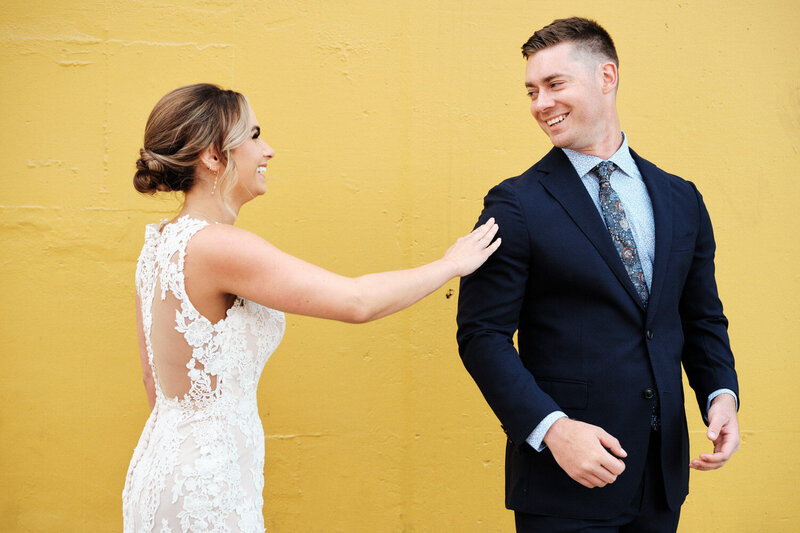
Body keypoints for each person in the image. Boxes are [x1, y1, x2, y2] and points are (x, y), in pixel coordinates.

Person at [122, 83, 500, 532]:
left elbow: (154, 379)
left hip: (164, 465)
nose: (269, 150)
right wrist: (450, 264)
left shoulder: (160, 243)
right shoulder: (219, 246)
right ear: (213, 156)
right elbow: (356, 301)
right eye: (254, 135)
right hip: (208, 482)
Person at [456, 17, 739, 532]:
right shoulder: (515, 204)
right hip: (565, 483)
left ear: (606, 77)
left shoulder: (682, 197)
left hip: (661, 479)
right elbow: (482, 336)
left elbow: (699, 317)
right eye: (531, 91)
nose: (541, 103)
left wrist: (721, 394)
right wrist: (553, 430)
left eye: (554, 84)